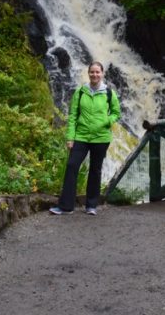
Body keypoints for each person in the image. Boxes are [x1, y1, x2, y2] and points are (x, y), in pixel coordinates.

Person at [49, 61, 121, 215]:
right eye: (92, 72)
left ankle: (91, 205)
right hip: (81, 136)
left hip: (101, 138)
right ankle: (66, 206)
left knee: (95, 170)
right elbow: (73, 116)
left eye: (97, 72)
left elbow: (116, 113)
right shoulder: (80, 92)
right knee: (72, 166)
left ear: (102, 74)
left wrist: (107, 121)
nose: (95, 75)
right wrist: (70, 137)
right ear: (88, 73)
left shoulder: (109, 93)